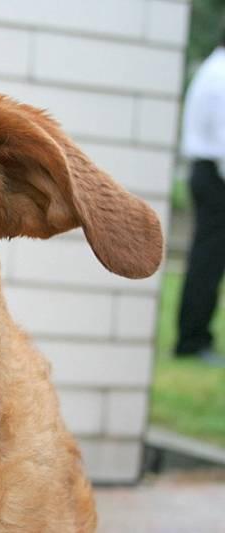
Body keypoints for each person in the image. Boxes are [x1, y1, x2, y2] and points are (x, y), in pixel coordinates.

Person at [176, 32, 225, 363]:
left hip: (209, 172)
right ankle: (193, 340)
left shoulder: (213, 68)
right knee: (207, 263)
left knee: (207, 260)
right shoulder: (221, 76)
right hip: (215, 175)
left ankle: (195, 337)